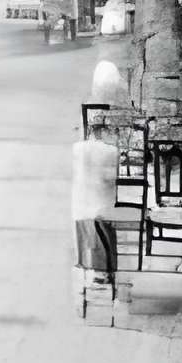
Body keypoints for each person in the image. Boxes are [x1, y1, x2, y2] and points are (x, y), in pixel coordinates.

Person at [71, 115, 122, 307]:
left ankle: (88, 273)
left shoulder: (76, 148)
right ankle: (103, 275)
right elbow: (111, 177)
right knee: (104, 235)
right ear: (104, 131)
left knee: (86, 238)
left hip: (80, 205)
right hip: (101, 205)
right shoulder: (111, 151)